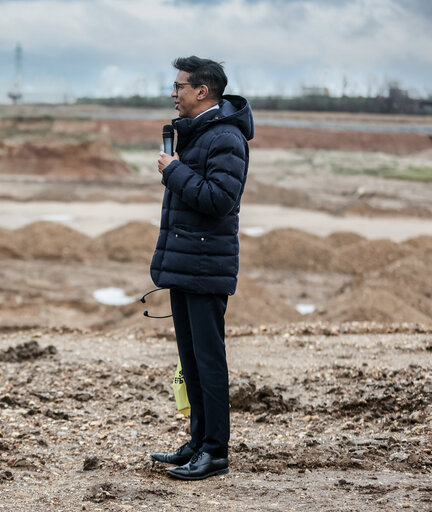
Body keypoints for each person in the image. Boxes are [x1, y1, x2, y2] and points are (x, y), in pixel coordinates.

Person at [149, 56, 254, 480]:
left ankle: (215, 451)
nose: (173, 94)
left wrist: (174, 172)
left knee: (209, 361)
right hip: (186, 263)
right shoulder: (198, 135)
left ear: (202, 92)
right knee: (190, 358)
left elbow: (217, 200)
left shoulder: (226, 138)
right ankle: (197, 440)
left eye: (179, 87)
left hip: (206, 267)